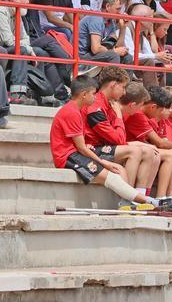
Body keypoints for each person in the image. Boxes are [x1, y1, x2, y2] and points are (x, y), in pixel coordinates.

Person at [50, 75, 165, 207]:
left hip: (75, 153)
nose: (95, 96)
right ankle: (151, 202)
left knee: (119, 171)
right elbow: (81, 148)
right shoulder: (71, 112)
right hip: (67, 157)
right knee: (112, 177)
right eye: (93, 94)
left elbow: (80, 143)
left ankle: (127, 203)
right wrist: (103, 162)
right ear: (84, 94)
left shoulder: (76, 110)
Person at [82, 70, 161, 201]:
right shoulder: (96, 107)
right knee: (134, 152)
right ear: (113, 84)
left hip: (104, 146)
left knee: (149, 152)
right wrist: (119, 116)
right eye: (123, 87)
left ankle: (142, 195)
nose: (124, 92)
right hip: (91, 150)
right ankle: (129, 199)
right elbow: (118, 139)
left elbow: (118, 138)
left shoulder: (109, 103)